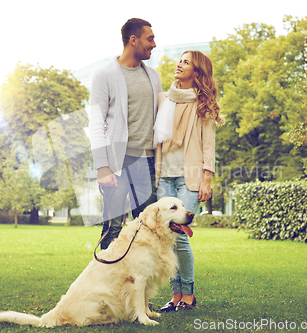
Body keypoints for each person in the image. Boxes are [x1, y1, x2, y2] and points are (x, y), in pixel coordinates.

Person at [154, 50, 224, 312]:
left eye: (186, 62)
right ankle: (174, 297)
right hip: (164, 176)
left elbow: (209, 145)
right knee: (168, 238)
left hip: (189, 178)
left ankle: (189, 296)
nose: (179, 64)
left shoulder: (203, 104)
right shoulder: (163, 99)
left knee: (181, 237)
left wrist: (207, 178)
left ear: (197, 71)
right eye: (179, 60)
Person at [89, 18, 163, 250]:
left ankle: (137, 281)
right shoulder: (104, 75)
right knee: (113, 228)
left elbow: (162, 116)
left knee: (148, 227)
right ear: (133, 40)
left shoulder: (153, 76)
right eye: (149, 38)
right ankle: (106, 281)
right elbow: (96, 122)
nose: (154, 44)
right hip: (117, 163)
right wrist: (102, 166)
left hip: (148, 162)